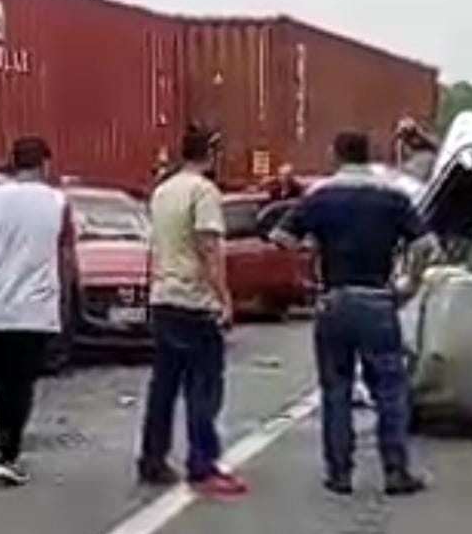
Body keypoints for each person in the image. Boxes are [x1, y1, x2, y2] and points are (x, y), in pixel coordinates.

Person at [273, 131, 431, 496]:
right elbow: (425, 244)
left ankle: (339, 472)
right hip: (377, 298)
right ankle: (395, 471)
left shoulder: (321, 197)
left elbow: (282, 237)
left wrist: (312, 255)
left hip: (335, 299)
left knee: (337, 388)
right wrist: (410, 283)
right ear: (368, 155)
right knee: (390, 389)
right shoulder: (392, 198)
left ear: (336, 155)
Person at [138, 126, 248, 497]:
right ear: (211, 155)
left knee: (163, 386)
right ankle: (202, 465)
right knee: (204, 387)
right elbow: (208, 248)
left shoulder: (163, 191)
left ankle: (153, 458)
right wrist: (224, 298)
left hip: (164, 296)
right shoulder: (204, 192)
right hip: (194, 299)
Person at [0, 137, 76, 487]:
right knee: (22, 384)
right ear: (44, 164)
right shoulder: (58, 202)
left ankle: (6, 449)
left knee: (4, 382)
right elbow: (66, 253)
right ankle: (9, 455)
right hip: (36, 308)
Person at [394, 117, 439, 184]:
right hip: (414, 176)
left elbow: (436, 146)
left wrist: (419, 133)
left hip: (430, 172)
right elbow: (400, 165)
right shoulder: (402, 144)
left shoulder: (425, 139)